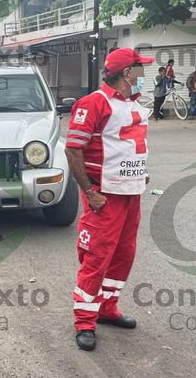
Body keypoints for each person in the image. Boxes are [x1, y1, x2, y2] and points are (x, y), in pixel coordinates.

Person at [65, 48, 153, 351]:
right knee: (96, 258)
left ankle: (107, 308)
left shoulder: (134, 105)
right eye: (140, 70)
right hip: (104, 197)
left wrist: (140, 176)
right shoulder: (93, 104)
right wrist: (90, 193)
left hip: (132, 195)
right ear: (127, 74)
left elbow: (131, 148)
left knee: (123, 255)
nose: (143, 76)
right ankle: (84, 321)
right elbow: (73, 150)